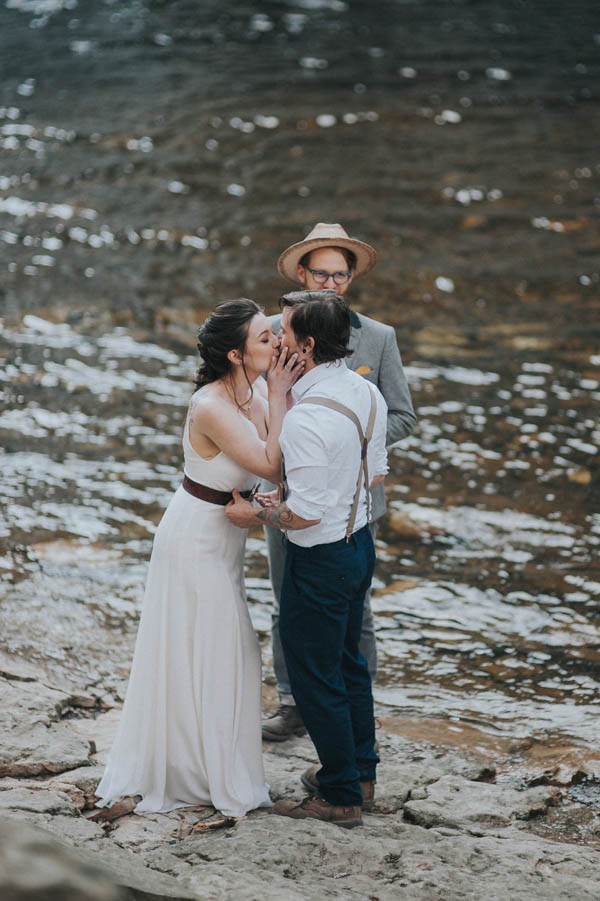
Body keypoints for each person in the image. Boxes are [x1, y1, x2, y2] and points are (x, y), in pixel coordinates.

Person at [95, 299, 304, 818]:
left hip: (225, 541)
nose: (277, 341)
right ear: (235, 354)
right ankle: (194, 773)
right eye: (264, 337)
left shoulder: (254, 392)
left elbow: (280, 466)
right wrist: (282, 392)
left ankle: (214, 766)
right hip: (192, 541)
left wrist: (277, 395)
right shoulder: (210, 405)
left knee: (224, 651)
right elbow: (269, 462)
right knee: (214, 650)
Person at [226, 291, 388, 828]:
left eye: (285, 330)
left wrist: (263, 515)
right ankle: (360, 772)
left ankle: (339, 794)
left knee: (315, 674)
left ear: (308, 345)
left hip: (319, 560)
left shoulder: (305, 419)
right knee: (349, 663)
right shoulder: (365, 391)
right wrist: (312, 496)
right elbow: (376, 473)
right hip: (360, 543)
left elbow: (307, 517)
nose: (277, 336)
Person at [261, 222, 416, 742]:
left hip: (356, 503)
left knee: (357, 609)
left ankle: (355, 706)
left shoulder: (379, 336)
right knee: (286, 599)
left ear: (350, 280)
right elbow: (256, 406)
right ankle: (292, 703)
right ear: (302, 273)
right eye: (321, 274)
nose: (330, 284)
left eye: (340, 276)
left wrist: (345, 451)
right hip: (289, 491)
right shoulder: (272, 331)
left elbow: (402, 416)